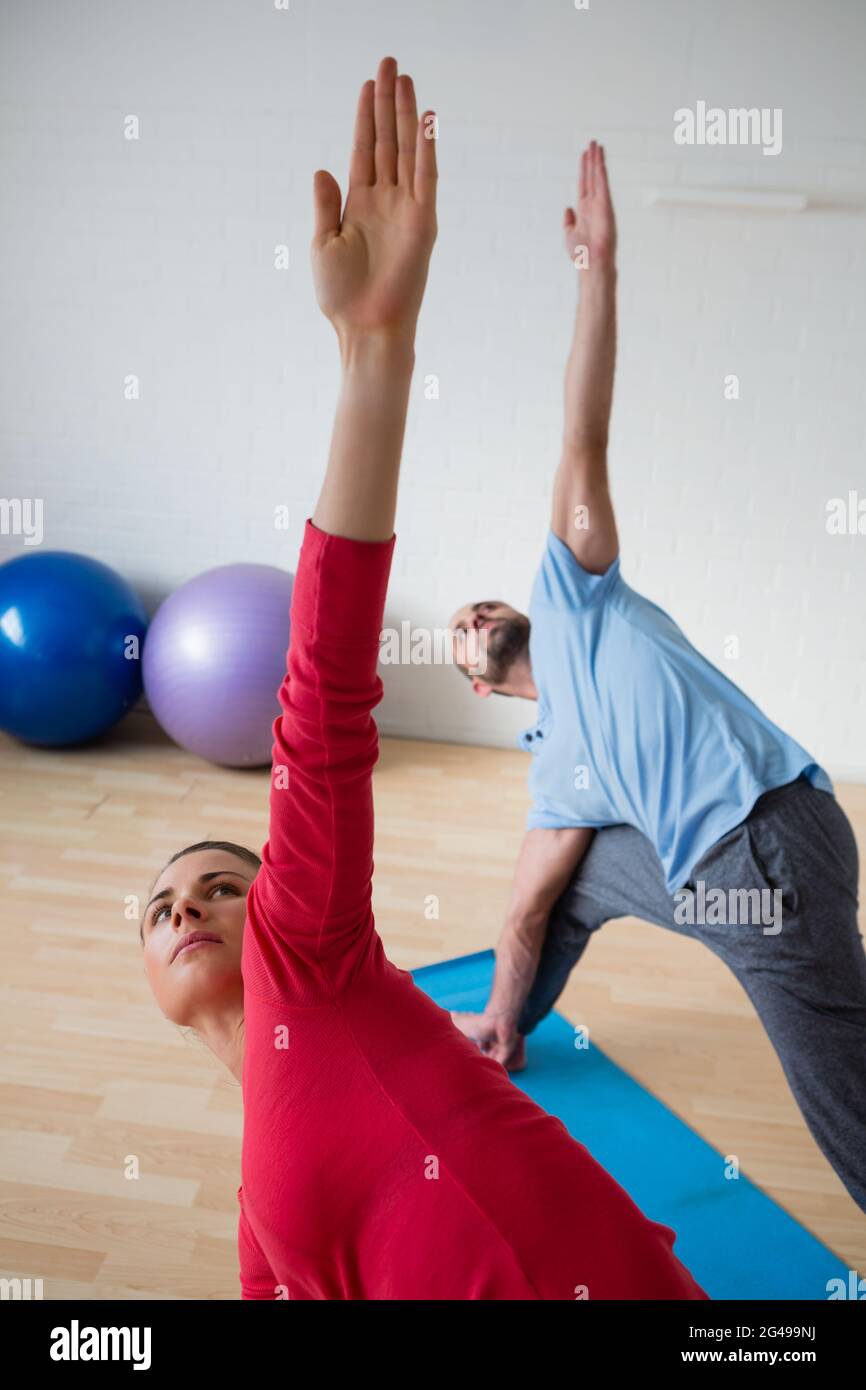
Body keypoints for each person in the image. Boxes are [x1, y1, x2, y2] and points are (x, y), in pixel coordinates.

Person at [140, 60, 706, 1301]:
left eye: (217, 883)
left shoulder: (310, 952)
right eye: (162, 905)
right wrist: (504, 1009)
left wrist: (376, 353)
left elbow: (325, 694)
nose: (182, 908)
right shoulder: (259, 1231)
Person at [448, 142, 866, 1216]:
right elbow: (530, 905)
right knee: (559, 886)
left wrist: (598, 275)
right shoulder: (559, 781)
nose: (469, 616)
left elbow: (580, 432)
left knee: (839, 1098)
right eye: (456, 633)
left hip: (761, 845)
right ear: (481, 691)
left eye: (477, 604)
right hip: (742, 862)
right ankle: (501, 1034)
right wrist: (503, 1004)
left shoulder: (580, 595)